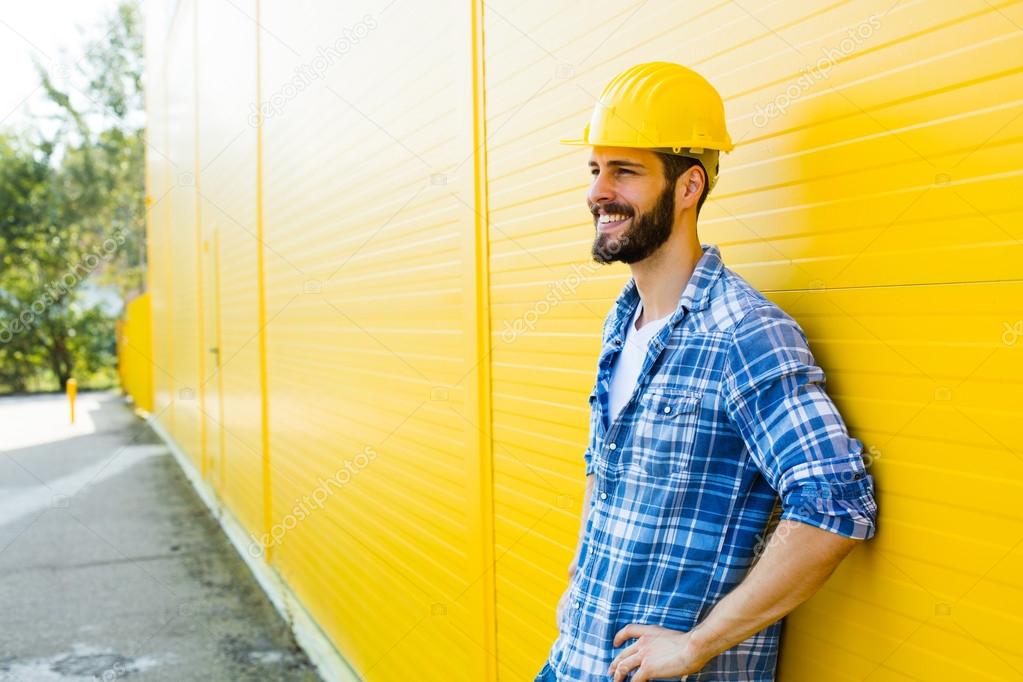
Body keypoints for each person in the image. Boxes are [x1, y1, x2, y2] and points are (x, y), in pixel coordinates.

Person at [534, 62, 878, 682]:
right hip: (577, 659)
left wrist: (696, 645)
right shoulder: (622, 325)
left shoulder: (744, 333)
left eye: (625, 171)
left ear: (689, 186)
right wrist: (578, 584)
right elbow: (604, 472)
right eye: (595, 169)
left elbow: (836, 502)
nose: (598, 192)